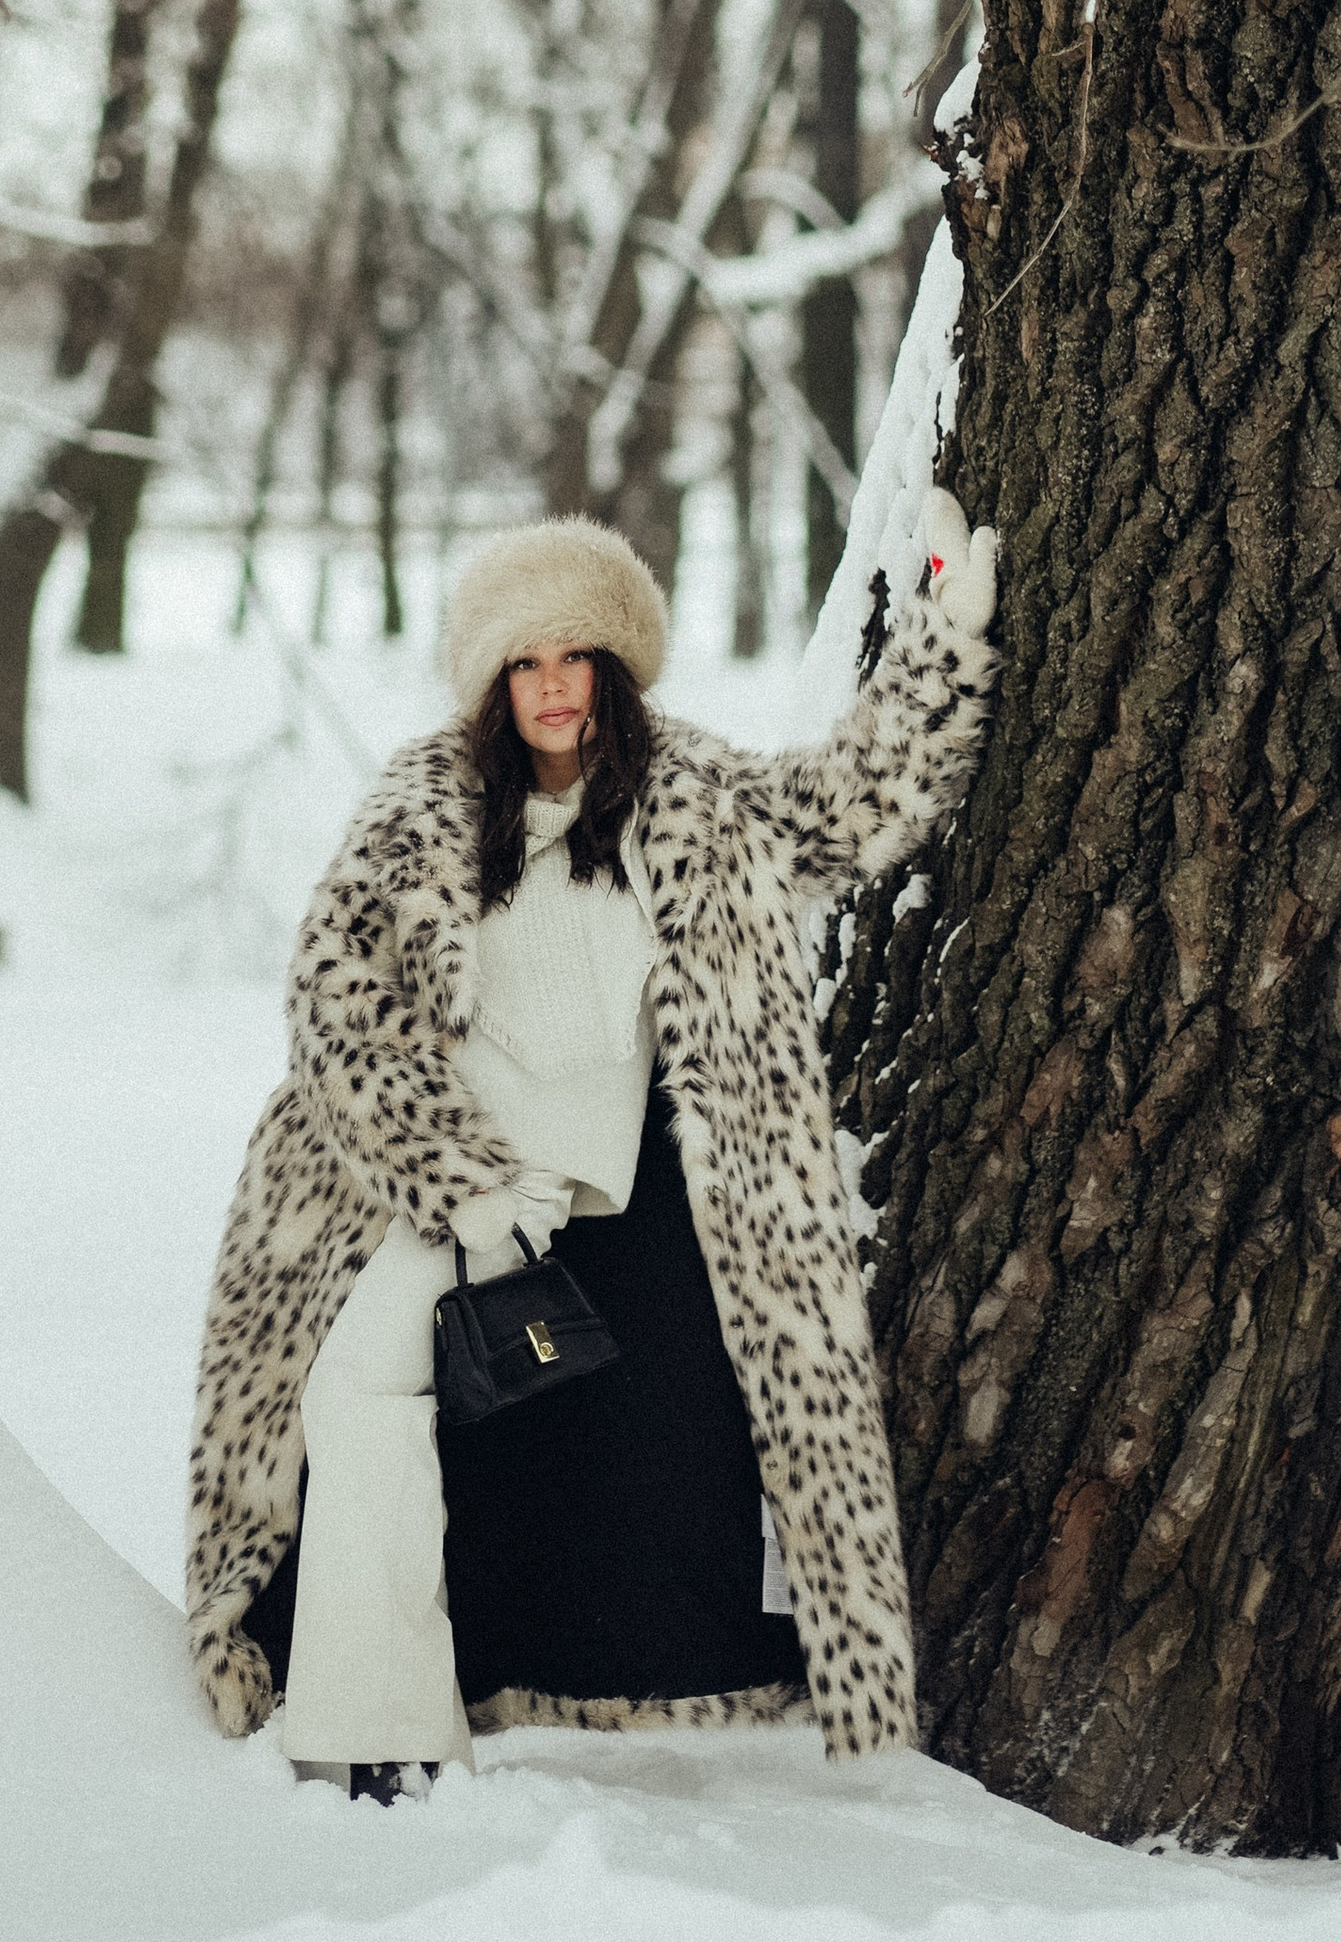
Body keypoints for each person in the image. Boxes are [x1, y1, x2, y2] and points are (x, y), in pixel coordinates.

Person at [185, 496, 999, 1796]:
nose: (552, 686)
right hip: (449, 1198)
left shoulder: (689, 804)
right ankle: (379, 1733)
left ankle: (395, 1730)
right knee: (354, 1394)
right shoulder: (427, 803)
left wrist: (944, 642)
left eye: (576, 657)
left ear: (614, 670)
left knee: (585, 1464)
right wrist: (458, 1180)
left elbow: (849, 806)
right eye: (524, 660)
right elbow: (338, 997)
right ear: (492, 680)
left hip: (608, 1212)